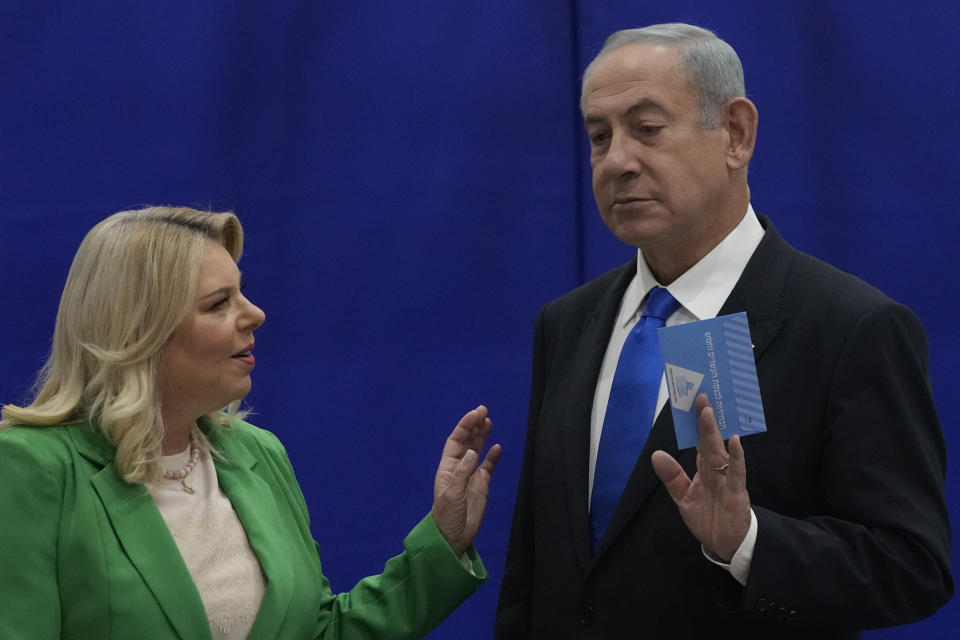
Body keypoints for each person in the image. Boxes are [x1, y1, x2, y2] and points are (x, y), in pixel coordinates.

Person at [495, 23, 951, 638]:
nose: (618, 162)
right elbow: (537, 566)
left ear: (735, 133)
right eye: (600, 137)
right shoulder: (567, 322)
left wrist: (747, 543)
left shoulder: (849, 327)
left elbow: (910, 566)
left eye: (648, 129)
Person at [0, 206, 502, 639]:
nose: (256, 314)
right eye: (219, 304)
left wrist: (444, 540)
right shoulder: (31, 467)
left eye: (242, 293)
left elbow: (318, 632)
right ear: (139, 331)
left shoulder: (259, 453)